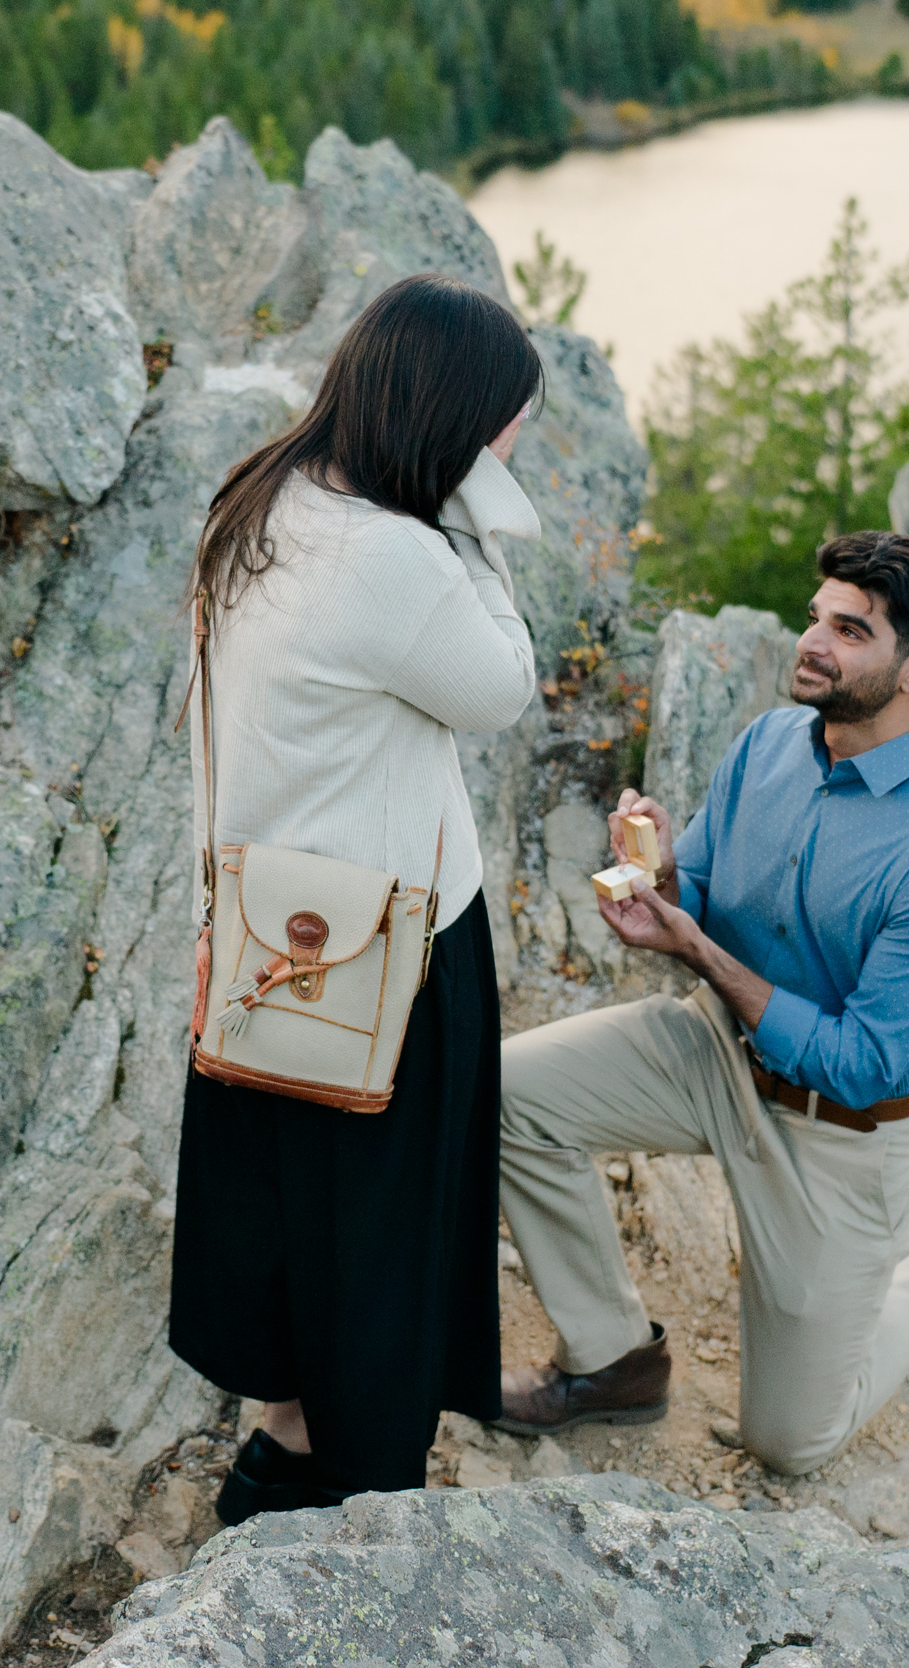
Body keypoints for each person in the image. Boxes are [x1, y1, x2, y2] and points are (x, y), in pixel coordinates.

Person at [490, 529, 909, 1475]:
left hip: (843, 1134)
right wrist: (660, 874)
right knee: (499, 1091)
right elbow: (701, 890)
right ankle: (613, 1360)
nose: (813, 642)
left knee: (791, 1443)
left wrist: (696, 947)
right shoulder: (771, 742)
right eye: (816, 617)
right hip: (715, 1056)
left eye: (851, 630)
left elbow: (858, 1060)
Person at [168, 273, 548, 1525]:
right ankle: (351, 1501)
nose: (512, 445)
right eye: (505, 425)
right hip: (391, 947)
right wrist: (472, 516)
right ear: (451, 417)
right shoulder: (396, 553)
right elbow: (503, 685)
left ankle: (278, 1447)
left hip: (265, 921)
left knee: (288, 1207)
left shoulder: (261, 496)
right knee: (380, 1231)